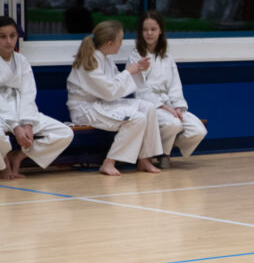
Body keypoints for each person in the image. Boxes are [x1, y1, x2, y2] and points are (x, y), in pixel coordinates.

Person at [66, 20, 162, 176]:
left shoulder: (106, 58)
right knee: (137, 119)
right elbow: (109, 91)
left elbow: (116, 85)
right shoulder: (89, 62)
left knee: (148, 108)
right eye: (120, 41)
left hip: (103, 104)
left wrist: (136, 70)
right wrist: (129, 72)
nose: (121, 44)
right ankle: (109, 162)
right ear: (110, 43)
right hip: (86, 110)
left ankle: (145, 159)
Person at [128, 11, 207, 168]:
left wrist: (177, 106)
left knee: (198, 130)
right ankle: (164, 154)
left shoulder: (168, 57)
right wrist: (163, 106)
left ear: (160, 30)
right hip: (149, 105)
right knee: (173, 125)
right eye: (145, 30)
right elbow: (140, 89)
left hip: (170, 103)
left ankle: (165, 147)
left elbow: (175, 85)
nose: (149, 33)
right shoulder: (135, 57)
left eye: (153, 29)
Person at [0, 16, 74, 179]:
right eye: (3, 36)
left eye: (12, 36)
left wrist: (27, 123)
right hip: (2, 113)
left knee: (65, 133)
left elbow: (28, 92)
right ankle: (3, 163)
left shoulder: (21, 60)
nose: (8, 41)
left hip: (22, 109)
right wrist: (15, 127)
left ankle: (18, 157)